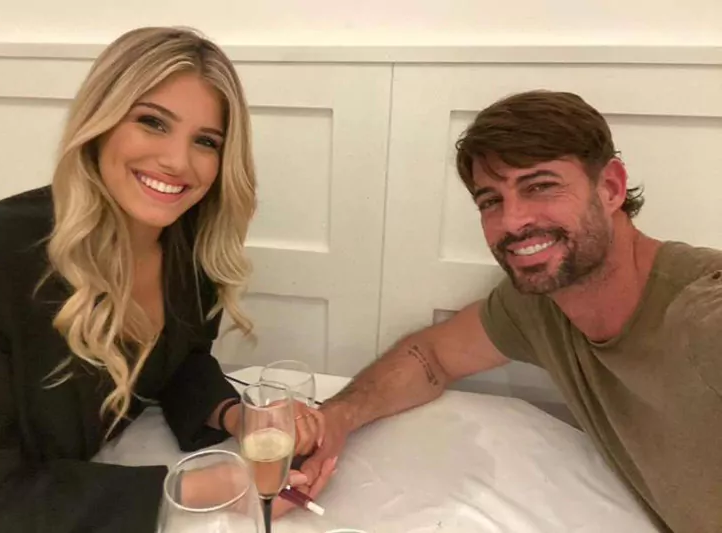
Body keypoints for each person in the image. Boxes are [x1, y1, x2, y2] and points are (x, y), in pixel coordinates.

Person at [0, 26, 332, 533]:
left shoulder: (188, 244)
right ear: (100, 121)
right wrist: (197, 488)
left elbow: (177, 362)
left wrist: (233, 414)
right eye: (152, 122)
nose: (178, 161)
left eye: (206, 141)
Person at [301, 90, 722, 533]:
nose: (512, 221)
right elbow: (432, 356)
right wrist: (334, 420)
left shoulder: (705, 316)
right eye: (490, 201)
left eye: (540, 186)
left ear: (611, 188)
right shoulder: (539, 302)